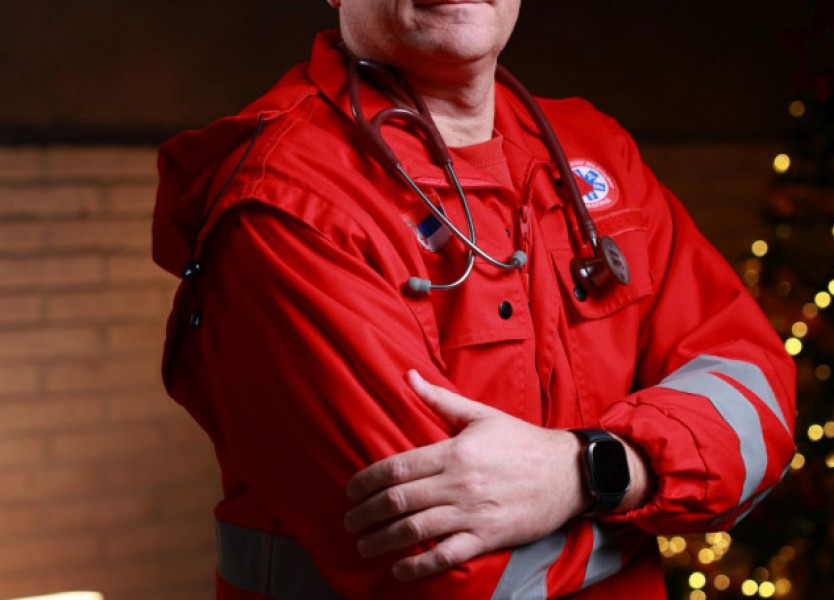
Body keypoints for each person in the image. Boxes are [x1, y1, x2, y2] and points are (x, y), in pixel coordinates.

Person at [152, 1, 797, 598]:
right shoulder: (288, 203)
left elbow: (757, 400)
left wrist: (585, 474)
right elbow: (446, 570)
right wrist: (652, 494)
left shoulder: (596, 150)